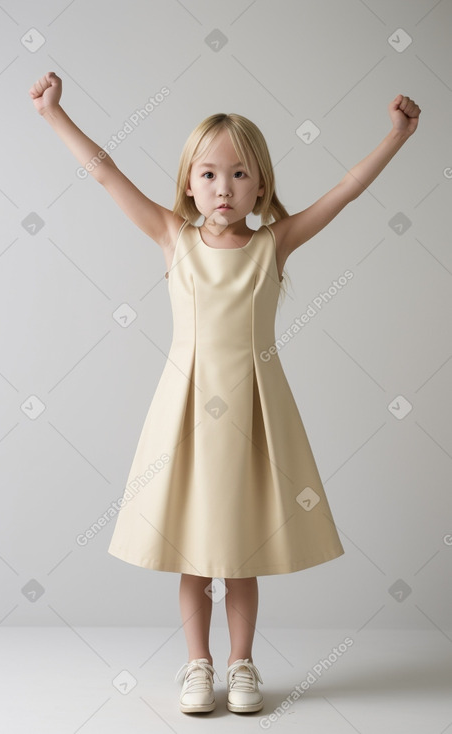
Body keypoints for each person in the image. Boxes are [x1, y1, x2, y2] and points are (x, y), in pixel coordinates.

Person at [29, 72, 421, 715]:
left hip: (254, 413)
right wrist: (52, 115)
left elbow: (345, 192)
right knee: (193, 552)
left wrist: (397, 137)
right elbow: (104, 173)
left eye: (239, 174)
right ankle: (197, 665)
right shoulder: (171, 238)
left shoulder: (273, 244)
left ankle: (241, 664)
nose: (223, 187)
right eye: (208, 174)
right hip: (185, 412)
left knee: (242, 551)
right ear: (188, 182)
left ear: (261, 185)